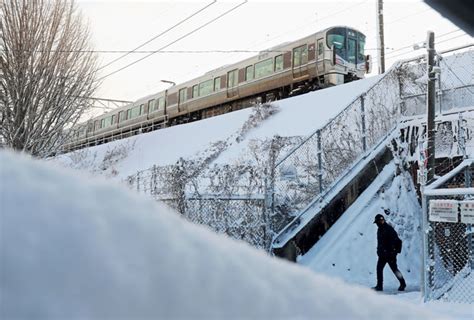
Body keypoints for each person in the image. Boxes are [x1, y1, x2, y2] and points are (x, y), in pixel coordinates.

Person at [372, 213, 406, 292]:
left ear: (382, 221)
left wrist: (394, 252)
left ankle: (403, 283)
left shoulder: (389, 229)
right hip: (382, 255)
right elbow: (380, 243)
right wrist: (379, 251)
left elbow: (397, 241)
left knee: (395, 270)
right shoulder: (379, 230)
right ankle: (379, 286)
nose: (377, 224)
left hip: (390, 255)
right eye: (376, 223)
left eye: (378, 222)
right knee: (379, 269)